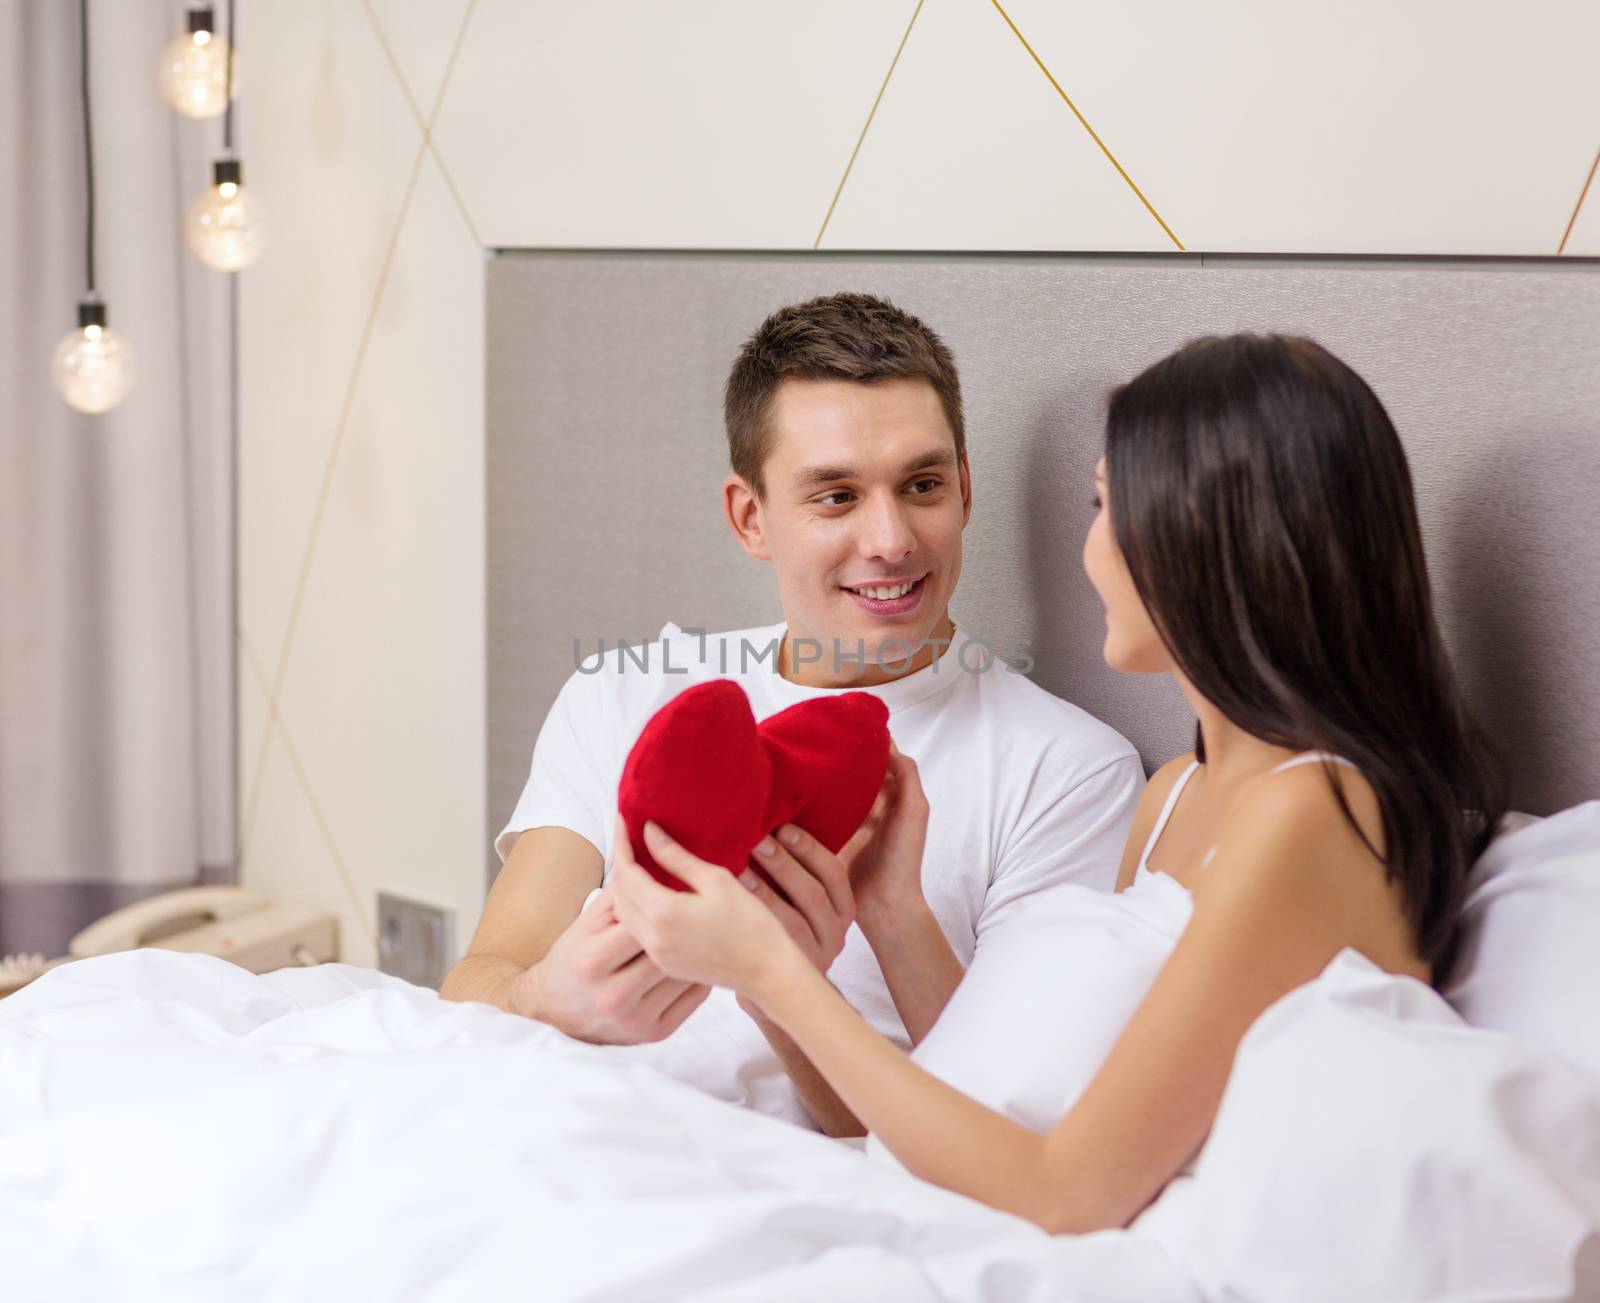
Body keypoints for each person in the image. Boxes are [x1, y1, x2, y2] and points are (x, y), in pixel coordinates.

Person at [607, 331, 1508, 1230]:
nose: (1090, 551)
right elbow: (1025, 1094)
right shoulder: (1175, 799)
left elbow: (1068, 1189)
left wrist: (768, 970)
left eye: (1107, 507)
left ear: (1207, 538)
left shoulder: (1312, 812)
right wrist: (894, 913)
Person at [441, 291, 1145, 1136]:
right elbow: (477, 983)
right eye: (836, 496)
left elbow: (998, 1126)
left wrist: (795, 970)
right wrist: (544, 998)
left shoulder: (1066, 770)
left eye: (921, 484)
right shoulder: (626, 695)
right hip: (562, 1140)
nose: (891, 539)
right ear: (751, 517)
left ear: (963, 488)